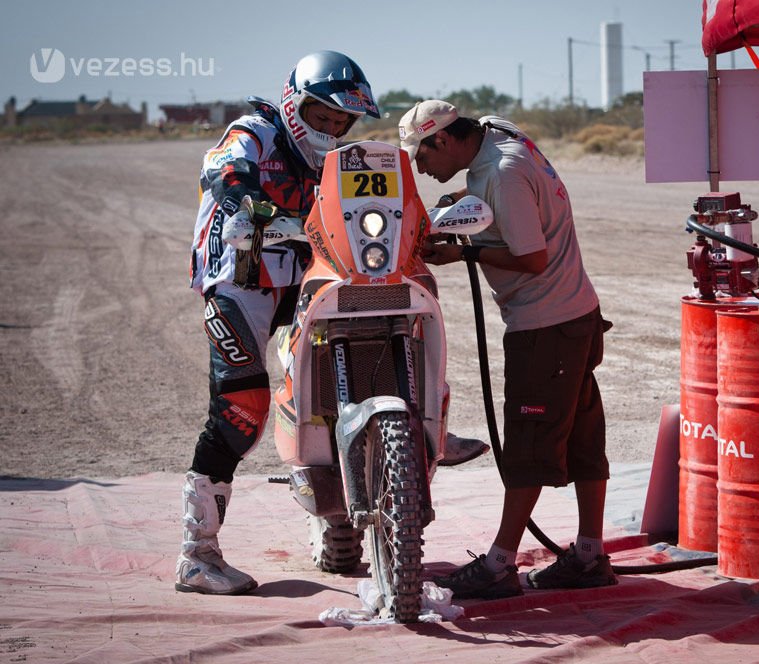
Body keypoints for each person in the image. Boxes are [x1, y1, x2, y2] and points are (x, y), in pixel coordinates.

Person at [178, 50, 381, 595]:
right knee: (242, 409)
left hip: (297, 278)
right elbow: (222, 172)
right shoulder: (255, 131)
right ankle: (197, 555)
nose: (332, 129)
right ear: (296, 105)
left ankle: (333, 509)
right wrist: (251, 202)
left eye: (341, 121)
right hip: (238, 281)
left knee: (335, 383)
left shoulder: (335, 158)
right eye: (323, 117)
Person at [399, 100, 617, 599]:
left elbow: (533, 257)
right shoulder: (498, 134)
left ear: (445, 139)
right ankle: (588, 556)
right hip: (576, 315)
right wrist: (458, 205)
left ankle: (500, 565)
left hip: (546, 324)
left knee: (527, 444)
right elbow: (499, 199)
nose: (421, 168)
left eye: (422, 156)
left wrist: (464, 251)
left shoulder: (503, 172)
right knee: (584, 442)